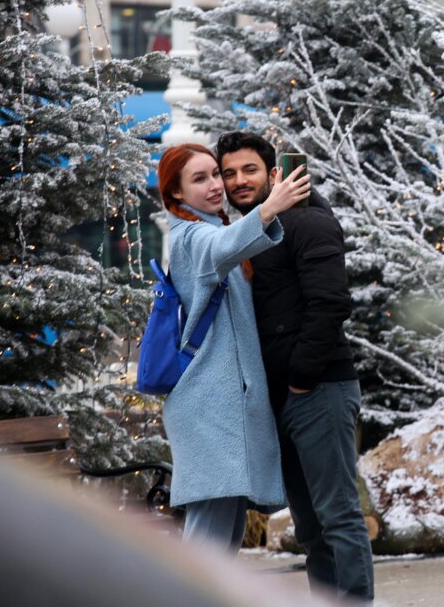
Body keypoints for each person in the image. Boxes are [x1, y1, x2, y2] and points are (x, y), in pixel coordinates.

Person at [216, 131, 374, 602]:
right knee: (310, 526)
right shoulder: (255, 228)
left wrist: (302, 378)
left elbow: (329, 304)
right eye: (229, 173)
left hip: (318, 389)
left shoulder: (306, 221)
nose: (238, 181)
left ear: (273, 172)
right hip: (283, 394)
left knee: (339, 515)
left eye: (249, 170)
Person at [156, 143, 310, 551]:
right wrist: (270, 206)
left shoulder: (213, 229)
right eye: (199, 178)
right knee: (207, 542)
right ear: (174, 193)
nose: (215, 186)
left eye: (214, 175)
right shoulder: (191, 236)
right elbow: (220, 248)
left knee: (223, 539)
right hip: (207, 406)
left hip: (220, 406)